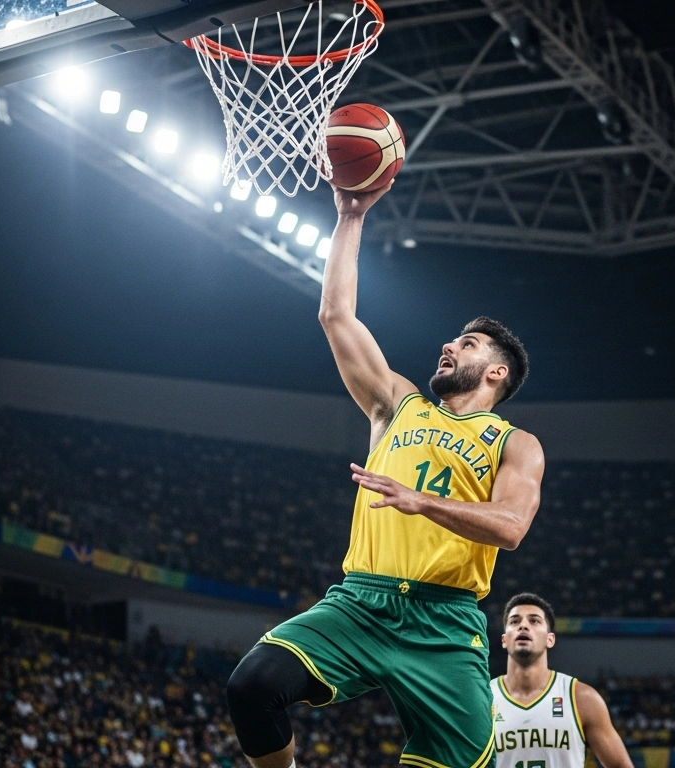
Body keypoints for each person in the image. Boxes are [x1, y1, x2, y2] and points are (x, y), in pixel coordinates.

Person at [225, 181, 546, 768]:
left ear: (496, 372)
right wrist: (350, 216)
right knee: (252, 686)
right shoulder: (398, 403)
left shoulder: (516, 444)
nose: (449, 345)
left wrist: (423, 502)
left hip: (445, 623)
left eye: (467, 344)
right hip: (361, 603)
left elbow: (511, 526)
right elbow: (335, 315)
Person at [492, 594, 631, 768]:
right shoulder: (483, 698)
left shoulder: (582, 698)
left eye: (534, 621)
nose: (523, 626)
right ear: (504, 640)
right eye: (514, 621)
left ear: (550, 639)